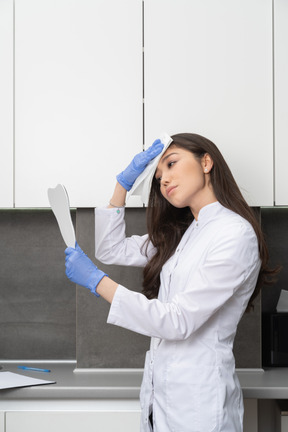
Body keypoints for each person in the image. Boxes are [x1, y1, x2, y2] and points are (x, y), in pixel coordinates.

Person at [65, 133, 276, 432]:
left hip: (199, 405)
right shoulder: (187, 232)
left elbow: (177, 321)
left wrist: (97, 282)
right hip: (161, 397)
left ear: (206, 162)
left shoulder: (234, 235)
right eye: (158, 177)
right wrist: (122, 185)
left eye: (172, 164)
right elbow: (110, 249)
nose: (163, 180)